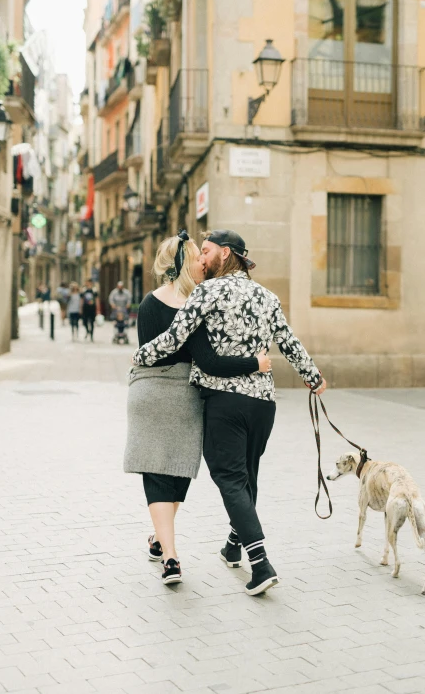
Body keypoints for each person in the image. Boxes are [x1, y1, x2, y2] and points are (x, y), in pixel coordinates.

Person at [133, 229, 326, 596]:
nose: (200, 259)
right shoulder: (267, 296)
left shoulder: (206, 293)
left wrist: (141, 355)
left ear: (224, 254)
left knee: (231, 481)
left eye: (205, 252)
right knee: (247, 475)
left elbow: (174, 338)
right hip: (263, 405)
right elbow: (288, 341)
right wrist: (313, 377)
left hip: (224, 401)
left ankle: (261, 563)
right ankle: (233, 546)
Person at [125, 230, 271, 586]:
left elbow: (149, 352)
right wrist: (255, 363)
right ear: (183, 264)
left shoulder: (148, 302)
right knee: (175, 474)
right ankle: (169, 553)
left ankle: (165, 548)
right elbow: (207, 360)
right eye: (197, 257)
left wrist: (139, 356)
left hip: (146, 393)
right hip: (184, 394)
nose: (203, 262)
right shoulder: (197, 303)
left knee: (156, 473)